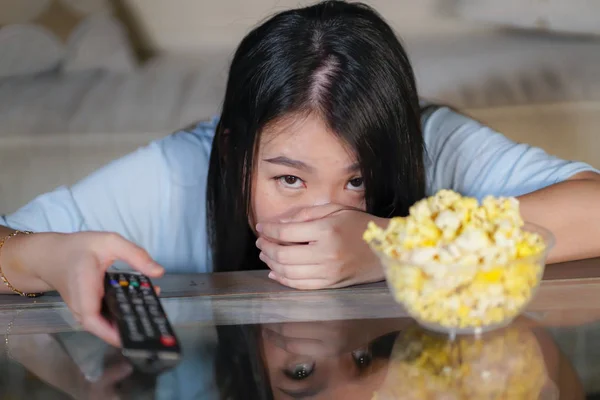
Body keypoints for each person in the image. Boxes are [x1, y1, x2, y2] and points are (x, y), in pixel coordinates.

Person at [0, 0, 599, 346]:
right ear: (234, 154)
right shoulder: (176, 173)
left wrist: (394, 246)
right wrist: (37, 256)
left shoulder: (432, 143)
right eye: (289, 180)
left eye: (357, 180)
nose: (325, 217)